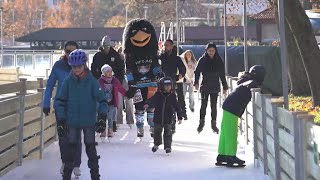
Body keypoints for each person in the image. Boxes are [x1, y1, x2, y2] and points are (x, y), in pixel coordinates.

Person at [55, 49, 108, 180]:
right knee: (71, 151)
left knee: (91, 150)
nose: (76, 69)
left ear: (84, 65)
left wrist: (102, 117)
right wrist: (61, 119)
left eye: (79, 66)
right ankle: (66, 176)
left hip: (89, 121)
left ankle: (95, 176)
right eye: (73, 66)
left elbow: (102, 100)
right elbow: (60, 101)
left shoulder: (92, 81)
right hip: (72, 121)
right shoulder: (68, 81)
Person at [42, 41, 82, 176]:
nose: (70, 54)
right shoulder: (58, 66)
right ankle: (65, 162)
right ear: (64, 52)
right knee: (63, 137)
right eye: (68, 52)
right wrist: (46, 103)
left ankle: (76, 164)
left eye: (73, 52)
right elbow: (49, 85)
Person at [216, 65, 265, 167]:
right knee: (231, 133)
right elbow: (252, 86)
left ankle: (222, 155)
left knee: (225, 132)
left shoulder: (245, 79)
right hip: (233, 108)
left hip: (229, 105)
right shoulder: (251, 82)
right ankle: (230, 156)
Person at [91, 35, 125, 132]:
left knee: (113, 104)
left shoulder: (115, 55)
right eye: (104, 47)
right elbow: (93, 69)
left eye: (108, 47)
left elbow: (121, 69)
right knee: (99, 103)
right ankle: (100, 122)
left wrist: (118, 82)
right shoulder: (97, 56)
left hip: (113, 84)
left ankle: (113, 122)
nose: (106, 49)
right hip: (100, 83)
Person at [194, 43, 228, 134]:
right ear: (206, 51)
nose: (211, 52)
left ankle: (213, 124)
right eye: (209, 51)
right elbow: (197, 71)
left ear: (215, 51)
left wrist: (225, 86)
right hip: (205, 85)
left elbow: (222, 74)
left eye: (213, 51)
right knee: (203, 105)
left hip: (215, 85)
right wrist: (196, 82)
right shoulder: (203, 60)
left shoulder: (219, 60)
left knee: (213, 106)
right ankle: (201, 123)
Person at [144, 77, 183, 154]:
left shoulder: (172, 96)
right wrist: (147, 104)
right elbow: (152, 100)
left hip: (168, 118)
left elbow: (177, 107)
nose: (168, 87)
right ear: (162, 86)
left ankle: (168, 147)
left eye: (169, 85)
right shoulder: (158, 95)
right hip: (158, 118)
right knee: (157, 132)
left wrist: (180, 116)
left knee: (168, 133)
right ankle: (156, 144)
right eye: (166, 86)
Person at [159, 39, 186, 133]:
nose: (166, 47)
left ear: (172, 46)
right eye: (165, 45)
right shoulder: (161, 57)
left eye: (168, 45)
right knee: (161, 102)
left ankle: (172, 123)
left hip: (172, 81)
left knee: (171, 102)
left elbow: (182, 68)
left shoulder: (176, 58)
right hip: (161, 82)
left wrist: (181, 75)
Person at [98, 64, 127, 138]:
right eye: (108, 71)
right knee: (103, 116)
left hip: (112, 102)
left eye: (111, 71)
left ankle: (110, 129)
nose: (110, 73)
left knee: (110, 116)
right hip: (103, 102)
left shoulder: (115, 80)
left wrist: (127, 94)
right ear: (104, 73)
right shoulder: (100, 81)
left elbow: (120, 88)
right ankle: (103, 130)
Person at [116, 46, 135, 128]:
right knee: (119, 101)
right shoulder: (117, 60)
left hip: (128, 80)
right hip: (119, 81)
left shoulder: (130, 60)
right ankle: (119, 121)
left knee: (129, 101)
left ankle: (130, 120)